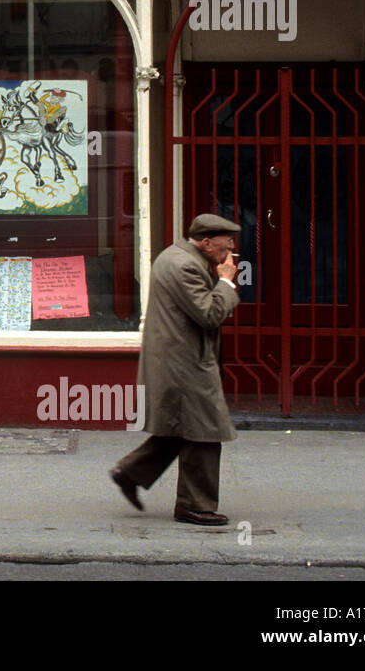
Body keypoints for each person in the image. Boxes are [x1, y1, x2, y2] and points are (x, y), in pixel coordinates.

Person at [110, 213, 241, 526]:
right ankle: (194, 505)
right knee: (206, 431)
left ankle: (130, 472)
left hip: (179, 359)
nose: (231, 250)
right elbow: (209, 314)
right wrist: (225, 282)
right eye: (226, 243)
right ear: (207, 242)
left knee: (182, 427)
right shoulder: (184, 266)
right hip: (185, 364)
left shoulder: (176, 255)